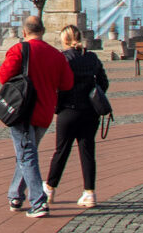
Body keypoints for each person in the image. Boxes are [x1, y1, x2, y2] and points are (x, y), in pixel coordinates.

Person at [0, 15, 73, 218]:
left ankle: (38, 201)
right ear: (43, 31)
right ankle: (15, 194)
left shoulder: (19, 50)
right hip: (45, 111)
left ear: (24, 32)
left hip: (22, 110)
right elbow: (66, 84)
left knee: (27, 155)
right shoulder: (56, 55)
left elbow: (3, 76)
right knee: (26, 153)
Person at [45, 25, 107, 209]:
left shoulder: (63, 59)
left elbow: (58, 85)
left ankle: (50, 188)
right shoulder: (91, 57)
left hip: (69, 110)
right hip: (90, 111)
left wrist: (58, 106)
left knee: (61, 151)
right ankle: (90, 192)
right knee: (87, 151)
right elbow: (104, 82)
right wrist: (93, 95)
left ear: (64, 40)